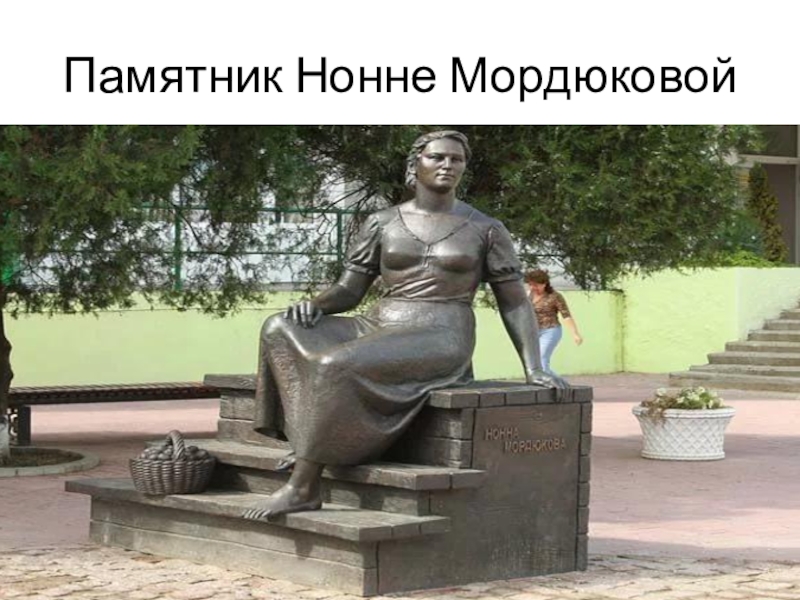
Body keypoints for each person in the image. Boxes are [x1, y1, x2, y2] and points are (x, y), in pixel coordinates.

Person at [243, 130, 566, 522]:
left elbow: (513, 300)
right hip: (378, 322)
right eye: (437, 157)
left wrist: (534, 367)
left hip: (442, 332)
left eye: (456, 159)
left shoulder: (486, 228)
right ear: (415, 165)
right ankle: (308, 438)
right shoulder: (382, 222)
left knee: (334, 364)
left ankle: (303, 487)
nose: (447, 165)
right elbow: (350, 290)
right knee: (278, 327)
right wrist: (315, 305)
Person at [525, 269, 582, 377]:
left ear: (544, 283)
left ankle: (548, 384)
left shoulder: (555, 296)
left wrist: (575, 334)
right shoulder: (528, 295)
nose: (533, 287)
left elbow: (566, 315)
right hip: (533, 332)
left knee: (542, 360)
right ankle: (561, 384)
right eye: (530, 285)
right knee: (534, 364)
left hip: (550, 330)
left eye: (536, 285)